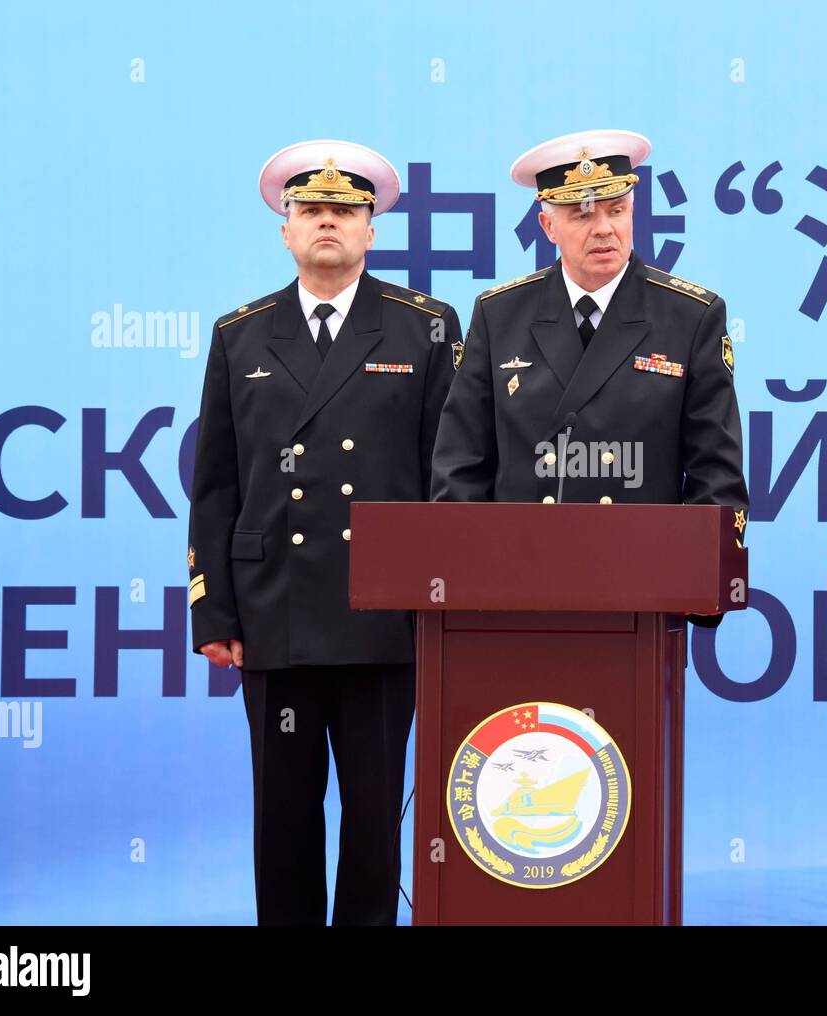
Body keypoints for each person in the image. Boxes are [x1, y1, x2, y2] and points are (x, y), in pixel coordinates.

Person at [187, 139, 460, 925]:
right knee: (283, 818)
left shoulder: (426, 327)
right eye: (311, 211)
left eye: (346, 210)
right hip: (276, 612)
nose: (329, 222)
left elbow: (449, 481)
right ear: (286, 230)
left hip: (383, 619)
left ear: (372, 228)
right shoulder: (241, 335)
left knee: (376, 822)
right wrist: (216, 612)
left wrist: (437, 603)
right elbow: (214, 486)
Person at [430, 129, 748, 576]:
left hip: (643, 580)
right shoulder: (499, 314)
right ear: (548, 226)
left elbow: (716, 470)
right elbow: (461, 462)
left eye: (616, 211)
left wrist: (703, 578)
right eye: (582, 215)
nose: (604, 229)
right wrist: (464, 577)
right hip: (516, 580)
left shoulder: (690, 316)